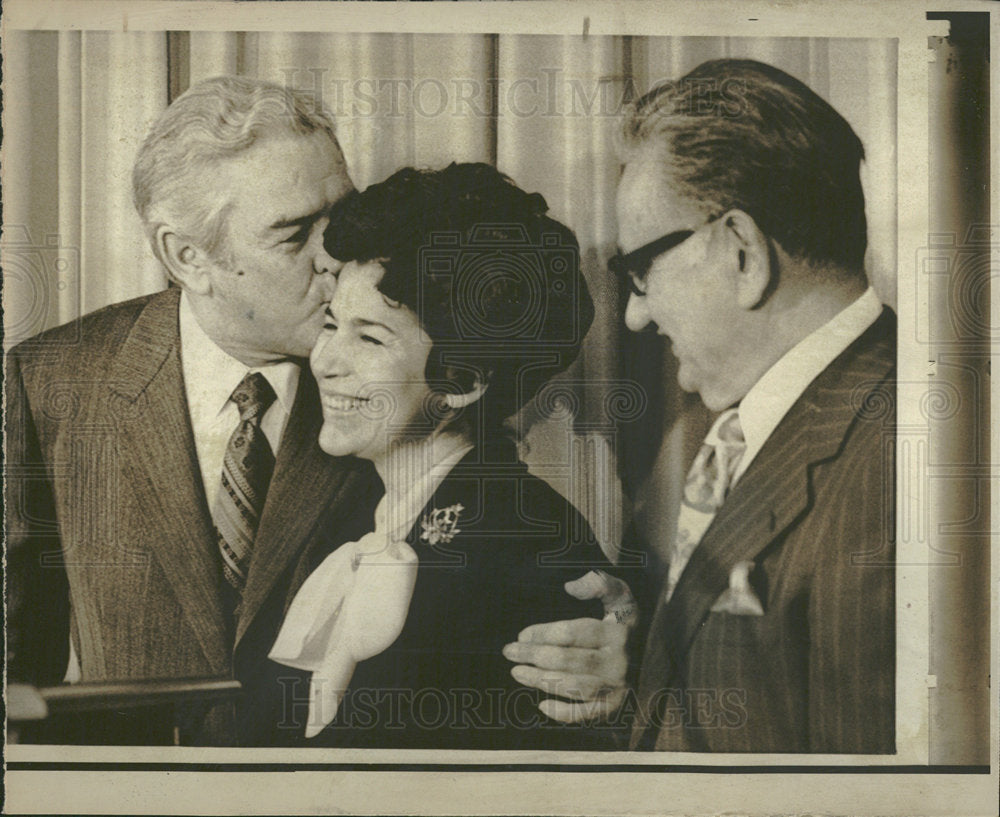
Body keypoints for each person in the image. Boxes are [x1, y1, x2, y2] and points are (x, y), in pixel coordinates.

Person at [5, 76, 630, 745]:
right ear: (187, 256)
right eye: (295, 232)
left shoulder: (406, 342)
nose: (334, 255)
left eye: (340, 214)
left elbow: (514, 552)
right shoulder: (50, 379)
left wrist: (629, 646)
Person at [269, 163, 630, 749]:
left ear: (462, 381)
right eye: (332, 324)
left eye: (370, 338)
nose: (326, 361)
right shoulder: (360, 513)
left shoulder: (529, 536)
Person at [612, 59, 896, 752]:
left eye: (640, 270)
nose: (634, 315)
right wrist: (640, 673)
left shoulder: (898, 467)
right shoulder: (711, 433)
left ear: (742, 252)